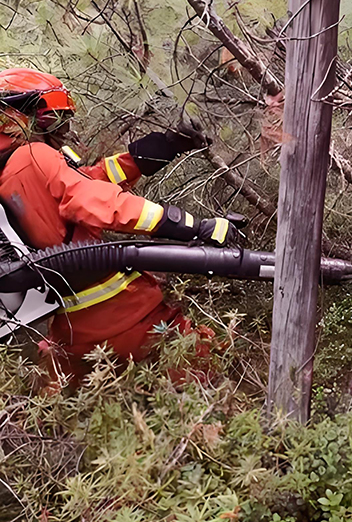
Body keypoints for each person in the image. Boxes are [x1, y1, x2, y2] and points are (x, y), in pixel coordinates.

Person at [0, 67, 237, 381]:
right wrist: (190, 225)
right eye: (51, 119)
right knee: (207, 368)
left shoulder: (12, 168)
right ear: (15, 117)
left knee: (87, 403)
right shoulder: (33, 156)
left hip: (72, 330)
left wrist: (155, 150)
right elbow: (94, 200)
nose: (63, 130)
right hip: (125, 315)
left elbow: (87, 180)